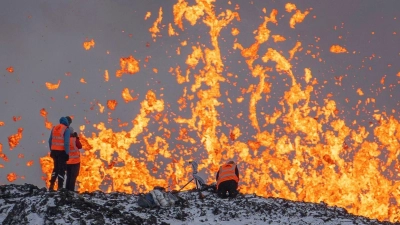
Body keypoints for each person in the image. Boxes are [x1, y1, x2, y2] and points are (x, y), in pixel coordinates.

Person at [48, 117, 71, 191]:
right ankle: (60, 187)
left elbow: (50, 140)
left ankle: (51, 185)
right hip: (61, 152)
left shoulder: (54, 128)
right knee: (61, 169)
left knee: (55, 168)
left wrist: (51, 150)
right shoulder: (66, 129)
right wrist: (67, 153)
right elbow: (66, 143)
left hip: (54, 151)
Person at [66, 127, 82, 192]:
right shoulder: (74, 139)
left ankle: (67, 190)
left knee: (68, 176)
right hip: (75, 162)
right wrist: (77, 138)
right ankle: (71, 190)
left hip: (67, 161)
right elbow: (80, 146)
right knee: (73, 176)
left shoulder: (65, 139)